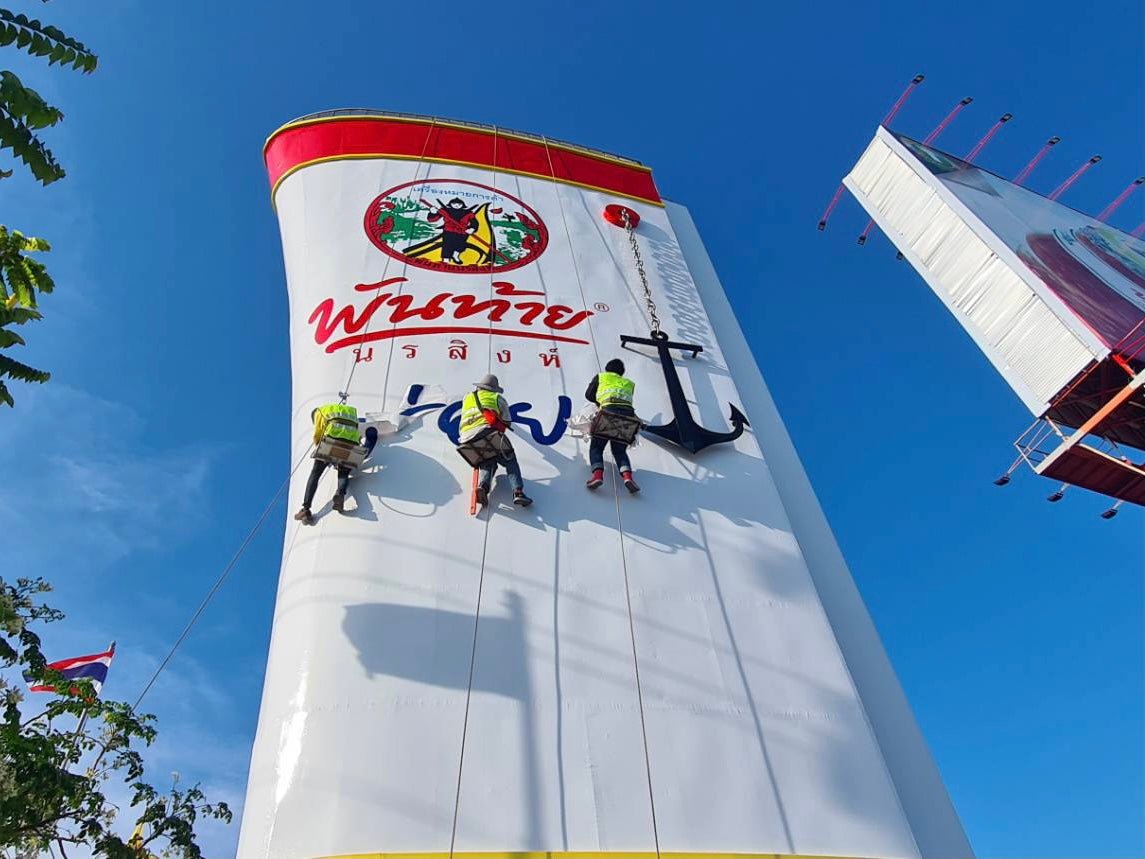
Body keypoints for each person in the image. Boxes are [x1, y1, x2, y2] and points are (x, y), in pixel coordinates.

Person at [294, 402, 378, 524]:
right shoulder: (350, 411)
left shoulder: (319, 412)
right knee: (344, 471)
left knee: (316, 473)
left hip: (332, 439)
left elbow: (318, 433)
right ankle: (340, 494)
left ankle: (306, 509)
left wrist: (319, 447)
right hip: (351, 443)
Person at [458, 373, 532, 507]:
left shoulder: (467, 397)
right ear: (494, 389)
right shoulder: (497, 398)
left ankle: (483, 487)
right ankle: (518, 492)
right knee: (509, 458)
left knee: (488, 459)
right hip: (485, 431)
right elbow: (507, 422)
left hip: (465, 438)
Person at [585, 358, 640, 493]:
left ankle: (597, 476)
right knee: (620, 451)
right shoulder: (629, 383)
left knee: (597, 447)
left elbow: (589, 395)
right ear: (622, 372)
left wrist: (599, 402)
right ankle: (628, 477)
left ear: (607, 368)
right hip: (628, 418)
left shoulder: (601, 377)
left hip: (608, 414)